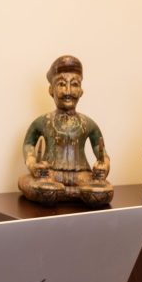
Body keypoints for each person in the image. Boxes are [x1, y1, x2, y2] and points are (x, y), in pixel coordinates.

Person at [17, 55, 113, 206]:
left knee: (102, 191)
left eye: (74, 84)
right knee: (29, 182)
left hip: (82, 177)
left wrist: (104, 165)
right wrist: (32, 163)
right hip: (49, 175)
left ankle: (61, 193)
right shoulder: (42, 121)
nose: (68, 91)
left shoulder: (89, 124)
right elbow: (28, 144)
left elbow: (100, 150)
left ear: (81, 91)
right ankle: (71, 193)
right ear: (51, 90)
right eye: (61, 84)